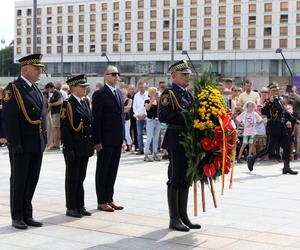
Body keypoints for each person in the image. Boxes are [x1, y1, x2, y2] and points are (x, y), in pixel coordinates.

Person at [2, 53, 47, 229]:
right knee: (19, 180)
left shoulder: (36, 88)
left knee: (32, 179)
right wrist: (14, 143)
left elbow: (42, 115)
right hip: (21, 143)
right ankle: (17, 216)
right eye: (36, 69)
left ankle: (28, 214)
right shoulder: (12, 89)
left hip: (36, 143)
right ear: (26, 69)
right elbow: (9, 118)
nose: (39, 72)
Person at [159, 60, 201, 232]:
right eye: (184, 75)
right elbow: (163, 116)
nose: (187, 77)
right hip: (176, 139)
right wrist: (187, 117)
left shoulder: (187, 93)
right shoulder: (169, 94)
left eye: (188, 74)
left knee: (186, 179)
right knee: (175, 179)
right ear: (174, 76)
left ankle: (183, 216)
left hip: (188, 140)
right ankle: (174, 218)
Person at [60, 74, 94, 218]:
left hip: (84, 146)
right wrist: (68, 148)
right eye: (82, 86)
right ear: (73, 88)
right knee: (72, 178)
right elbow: (65, 128)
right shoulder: (67, 104)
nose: (85, 89)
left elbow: (89, 125)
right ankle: (71, 207)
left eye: (85, 86)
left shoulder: (85, 102)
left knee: (81, 177)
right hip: (74, 146)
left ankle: (80, 205)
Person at [247, 82, 298, 175]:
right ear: (270, 91)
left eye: (277, 90)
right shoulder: (267, 101)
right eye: (274, 90)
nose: (276, 91)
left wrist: (295, 120)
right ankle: (252, 158)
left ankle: (286, 167)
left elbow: (285, 112)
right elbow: (263, 111)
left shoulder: (280, 100)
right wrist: (270, 102)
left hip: (282, 127)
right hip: (273, 127)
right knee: (269, 150)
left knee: (287, 147)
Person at [92, 65, 124, 212]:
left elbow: (120, 117)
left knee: (113, 170)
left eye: (117, 74)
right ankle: (101, 200)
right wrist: (97, 141)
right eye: (113, 74)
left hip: (117, 138)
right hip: (105, 140)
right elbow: (96, 119)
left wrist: (123, 138)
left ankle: (109, 198)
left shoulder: (118, 92)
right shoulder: (100, 94)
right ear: (105, 76)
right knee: (103, 170)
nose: (116, 76)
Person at [144, 87, 161, 162]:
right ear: (150, 93)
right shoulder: (147, 101)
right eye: (153, 92)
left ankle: (155, 153)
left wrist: (157, 99)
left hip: (157, 121)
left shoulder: (157, 101)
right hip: (150, 120)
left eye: (156, 92)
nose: (155, 93)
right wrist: (152, 100)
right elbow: (147, 108)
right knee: (149, 137)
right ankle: (146, 154)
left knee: (156, 138)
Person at [133, 82, 148, 154]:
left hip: (147, 117)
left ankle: (149, 149)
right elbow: (134, 107)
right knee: (139, 134)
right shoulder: (136, 96)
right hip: (138, 118)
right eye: (140, 87)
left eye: (143, 87)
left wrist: (145, 114)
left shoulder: (148, 95)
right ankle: (141, 149)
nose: (141, 89)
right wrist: (137, 115)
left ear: (145, 87)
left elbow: (149, 106)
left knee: (149, 134)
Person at [49, 83, 63, 150]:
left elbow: (60, 102)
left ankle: (56, 145)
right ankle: (55, 144)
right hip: (54, 113)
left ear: (52, 87)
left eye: (49, 88)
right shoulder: (54, 93)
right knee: (54, 129)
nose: (49, 90)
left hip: (57, 113)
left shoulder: (57, 93)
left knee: (56, 129)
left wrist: (51, 104)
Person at [121, 88, 133, 153]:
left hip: (127, 119)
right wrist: (123, 109)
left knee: (127, 133)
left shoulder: (129, 100)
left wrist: (121, 108)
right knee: (121, 134)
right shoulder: (119, 100)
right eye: (121, 93)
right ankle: (123, 149)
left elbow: (128, 108)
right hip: (120, 119)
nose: (122, 94)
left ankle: (130, 148)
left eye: (123, 93)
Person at [127, 84, 138, 151]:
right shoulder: (126, 96)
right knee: (128, 131)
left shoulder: (136, 96)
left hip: (135, 115)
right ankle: (129, 146)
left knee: (136, 130)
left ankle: (136, 145)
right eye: (130, 89)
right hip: (128, 116)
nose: (131, 90)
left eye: (133, 89)